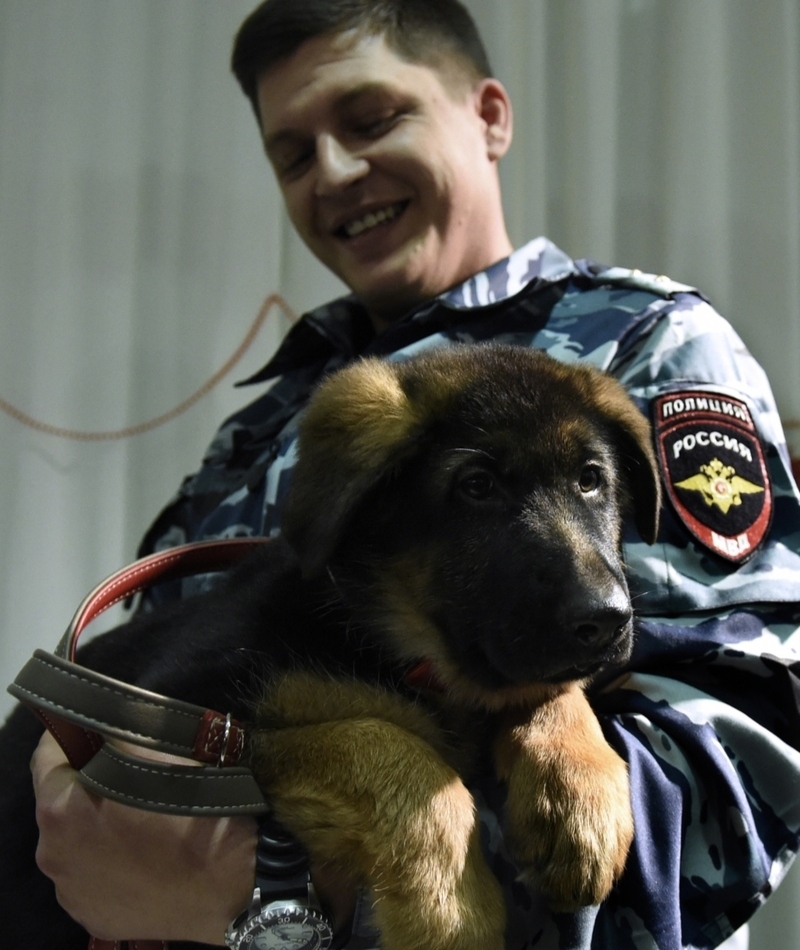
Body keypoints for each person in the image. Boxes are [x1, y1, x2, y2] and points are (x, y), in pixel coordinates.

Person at [30, 1, 800, 948]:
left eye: (370, 119)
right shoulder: (262, 426)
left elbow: (738, 764)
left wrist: (289, 901)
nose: (337, 173)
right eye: (294, 154)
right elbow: (164, 722)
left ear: (488, 116)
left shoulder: (644, 347)